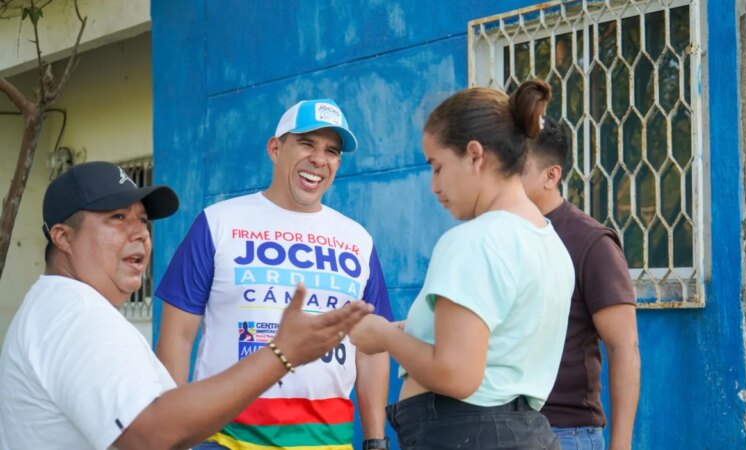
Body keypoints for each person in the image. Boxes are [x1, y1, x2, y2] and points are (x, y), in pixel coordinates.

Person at [0, 161, 371, 450]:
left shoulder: (61, 306)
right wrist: (282, 354)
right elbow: (150, 435)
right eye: (117, 218)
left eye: (143, 220)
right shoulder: (74, 313)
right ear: (63, 237)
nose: (140, 232)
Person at [155, 99, 393, 450]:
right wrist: (168, 434)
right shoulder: (218, 223)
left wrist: (375, 441)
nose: (319, 159)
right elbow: (177, 337)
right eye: (307, 144)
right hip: (224, 440)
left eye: (331, 150)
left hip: (328, 443)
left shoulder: (358, 239)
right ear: (275, 148)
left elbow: (372, 349)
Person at [349, 80, 575, 449]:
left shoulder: (475, 240)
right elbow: (501, 339)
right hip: (524, 432)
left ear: (474, 155)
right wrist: (420, 328)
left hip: (463, 434)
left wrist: (384, 336)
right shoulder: (548, 242)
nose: (433, 185)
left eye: (437, 166)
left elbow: (456, 374)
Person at [520, 116, 640, 450]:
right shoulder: (504, 234)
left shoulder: (590, 242)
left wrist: (621, 445)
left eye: (518, 166)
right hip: (506, 428)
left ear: (551, 175)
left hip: (566, 433)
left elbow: (624, 347)